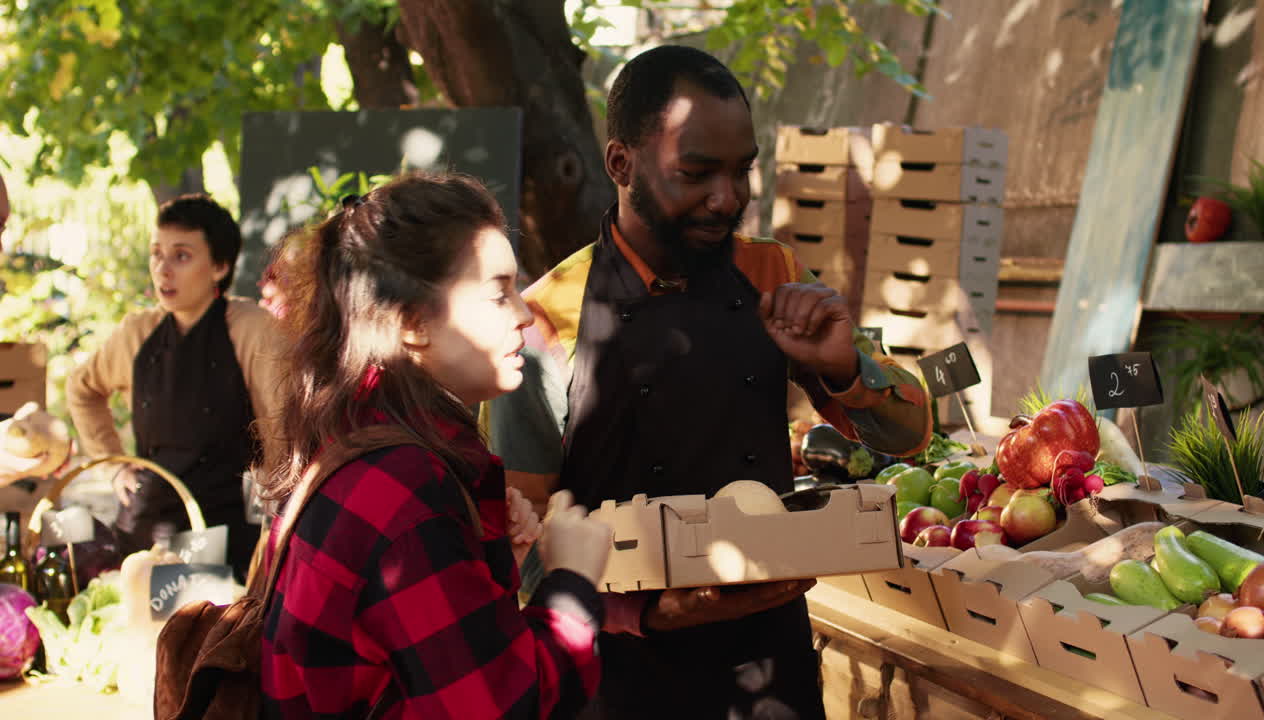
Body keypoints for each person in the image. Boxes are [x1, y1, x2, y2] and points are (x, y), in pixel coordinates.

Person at [482, 45, 933, 719]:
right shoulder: (545, 322)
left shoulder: (774, 273)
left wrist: (843, 367)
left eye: (742, 172)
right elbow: (514, 547)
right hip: (618, 680)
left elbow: (910, 432)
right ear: (620, 164)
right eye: (696, 173)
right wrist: (645, 611)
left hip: (769, 667)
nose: (727, 200)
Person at [257, 173, 612, 718]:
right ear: (413, 322)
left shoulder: (363, 446)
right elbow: (503, 708)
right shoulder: (404, 488)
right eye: (499, 293)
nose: (523, 313)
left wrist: (490, 557)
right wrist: (572, 581)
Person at [66, 194, 281, 580]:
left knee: (198, 634)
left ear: (219, 266)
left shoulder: (251, 328)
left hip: (223, 531)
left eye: (181, 256)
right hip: (147, 522)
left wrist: (277, 507)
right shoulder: (137, 332)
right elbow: (82, 389)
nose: (163, 269)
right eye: (156, 254)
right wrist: (115, 466)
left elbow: (281, 426)